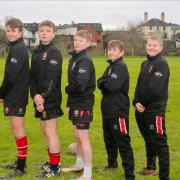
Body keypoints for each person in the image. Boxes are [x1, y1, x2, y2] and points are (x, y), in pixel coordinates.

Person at [132, 35, 170, 180]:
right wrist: (135, 101)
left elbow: (154, 89)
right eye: (149, 45)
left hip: (155, 111)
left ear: (160, 47)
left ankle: (164, 176)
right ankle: (150, 167)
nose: (151, 47)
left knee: (160, 143)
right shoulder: (145, 63)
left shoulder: (162, 64)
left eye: (155, 45)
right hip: (141, 109)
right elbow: (139, 85)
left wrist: (143, 104)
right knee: (148, 139)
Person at [30, 20, 63, 178]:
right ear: (38, 32)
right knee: (44, 130)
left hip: (50, 98)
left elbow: (52, 79)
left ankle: (55, 168)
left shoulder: (54, 52)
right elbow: (32, 76)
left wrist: (42, 97)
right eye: (42, 30)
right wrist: (35, 95)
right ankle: (52, 161)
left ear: (53, 33)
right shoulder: (36, 51)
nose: (44, 33)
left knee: (50, 131)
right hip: (38, 98)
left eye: (48, 31)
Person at [97, 40, 135, 180]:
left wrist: (103, 82)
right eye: (110, 49)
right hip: (107, 110)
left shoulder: (120, 66)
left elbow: (111, 86)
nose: (111, 51)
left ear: (121, 52)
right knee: (109, 139)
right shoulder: (111, 66)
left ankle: (129, 174)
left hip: (118, 110)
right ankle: (112, 164)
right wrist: (103, 82)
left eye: (114, 49)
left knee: (122, 141)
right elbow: (99, 81)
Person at [64, 30, 96, 180]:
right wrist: (69, 103)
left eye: (81, 41)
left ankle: (88, 174)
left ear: (88, 44)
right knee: (77, 135)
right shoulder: (74, 58)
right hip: (75, 103)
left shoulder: (84, 60)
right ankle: (79, 164)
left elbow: (80, 86)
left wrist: (66, 88)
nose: (77, 42)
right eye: (76, 39)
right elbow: (74, 85)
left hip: (83, 104)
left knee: (83, 137)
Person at [0, 18, 29, 178]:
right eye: (8, 30)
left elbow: (11, 77)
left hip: (17, 96)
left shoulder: (18, 49)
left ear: (20, 32)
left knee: (19, 130)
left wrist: (1, 94)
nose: (10, 33)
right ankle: (19, 162)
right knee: (15, 129)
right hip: (14, 95)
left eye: (13, 31)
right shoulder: (16, 47)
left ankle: (21, 168)